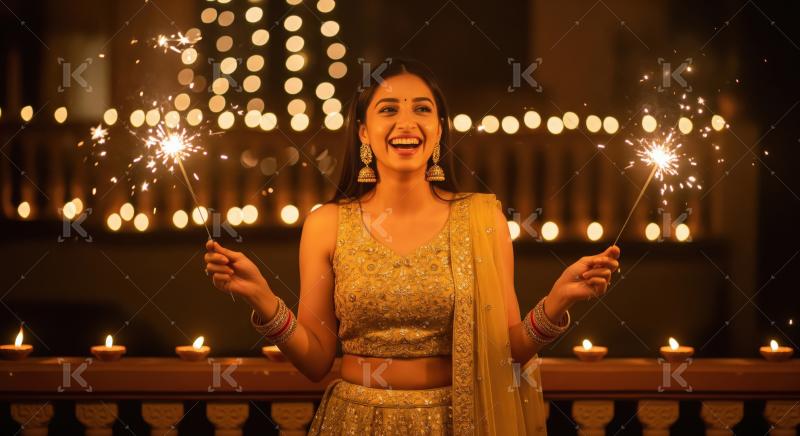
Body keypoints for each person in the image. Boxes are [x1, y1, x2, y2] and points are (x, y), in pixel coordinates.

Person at [204, 58, 620, 435]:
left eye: (422, 109)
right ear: (364, 132)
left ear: (439, 129)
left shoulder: (482, 220)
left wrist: (558, 301)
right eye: (388, 110)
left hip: (453, 423)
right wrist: (262, 299)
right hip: (355, 422)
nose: (407, 122)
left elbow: (507, 353)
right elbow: (315, 362)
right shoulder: (325, 224)